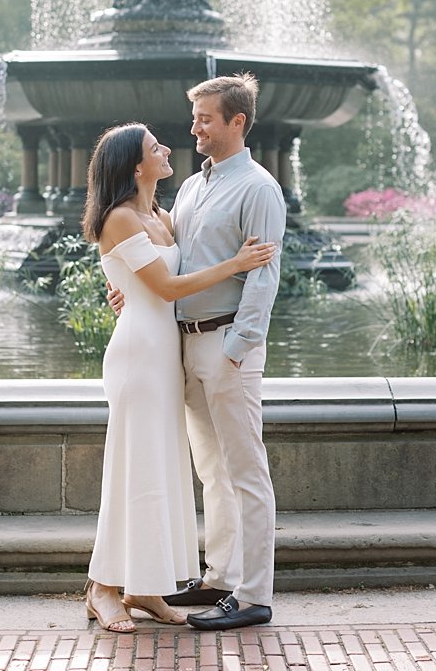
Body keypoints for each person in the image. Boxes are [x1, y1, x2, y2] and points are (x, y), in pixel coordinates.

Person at [80, 123, 275, 633]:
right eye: (155, 147)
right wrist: (237, 263)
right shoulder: (120, 219)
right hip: (139, 355)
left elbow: (154, 278)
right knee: (131, 469)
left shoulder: (163, 215)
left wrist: (123, 287)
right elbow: (166, 286)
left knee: (161, 470)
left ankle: (144, 587)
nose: (168, 149)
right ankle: (102, 587)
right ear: (134, 166)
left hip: (169, 353)